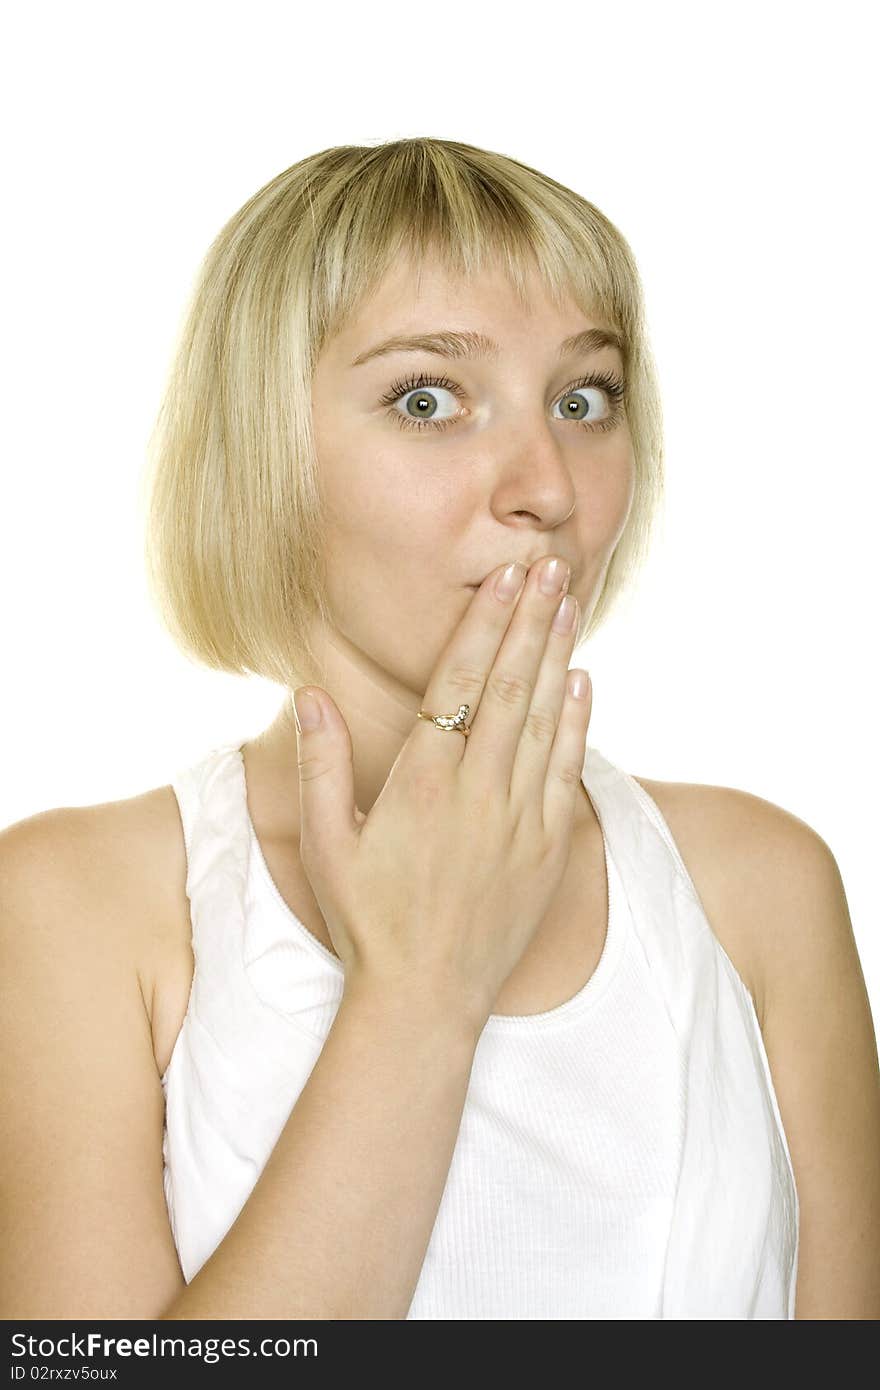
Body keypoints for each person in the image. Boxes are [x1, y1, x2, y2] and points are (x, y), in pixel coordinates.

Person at [1, 137, 878, 1323]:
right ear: (266, 453)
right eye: (427, 399)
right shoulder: (73, 905)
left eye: (584, 399)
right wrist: (420, 989)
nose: (548, 485)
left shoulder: (761, 886)